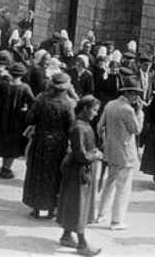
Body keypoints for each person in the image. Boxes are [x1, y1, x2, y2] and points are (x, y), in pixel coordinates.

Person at [23, 72, 75, 219]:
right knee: (55, 174)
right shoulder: (68, 104)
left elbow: (30, 118)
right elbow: (71, 125)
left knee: (38, 172)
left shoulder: (41, 99)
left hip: (41, 139)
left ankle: (36, 207)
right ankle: (52, 208)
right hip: (59, 142)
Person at [57, 95, 103, 256]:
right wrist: (95, 155)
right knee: (79, 206)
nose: (96, 113)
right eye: (94, 110)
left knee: (74, 203)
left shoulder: (83, 125)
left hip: (79, 170)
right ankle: (82, 244)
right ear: (85, 108)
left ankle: (66, 236)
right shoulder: (79, 128)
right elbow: (80, 155)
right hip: (78, 171)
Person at [96, 76, 144, 230]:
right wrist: (140, 113)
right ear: (131, 93)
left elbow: (99, 126)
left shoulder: (110, 104)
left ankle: (101, 215)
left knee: (109, 184)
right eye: (136, 93)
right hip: (125, 154)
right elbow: (136, 130)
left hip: (110, 151)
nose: (138, 97)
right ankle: (117, 220)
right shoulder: (128, 109)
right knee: (123, 188)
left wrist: (106, 141)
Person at [0, 64, 35, 178]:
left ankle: (4, 166)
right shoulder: (25, 87)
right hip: (17, 120)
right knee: (13, 144)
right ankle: (6, 168)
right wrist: (26, 108)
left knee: (4, 141)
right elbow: (33, 102)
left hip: (3, 119)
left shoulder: (3, 85)